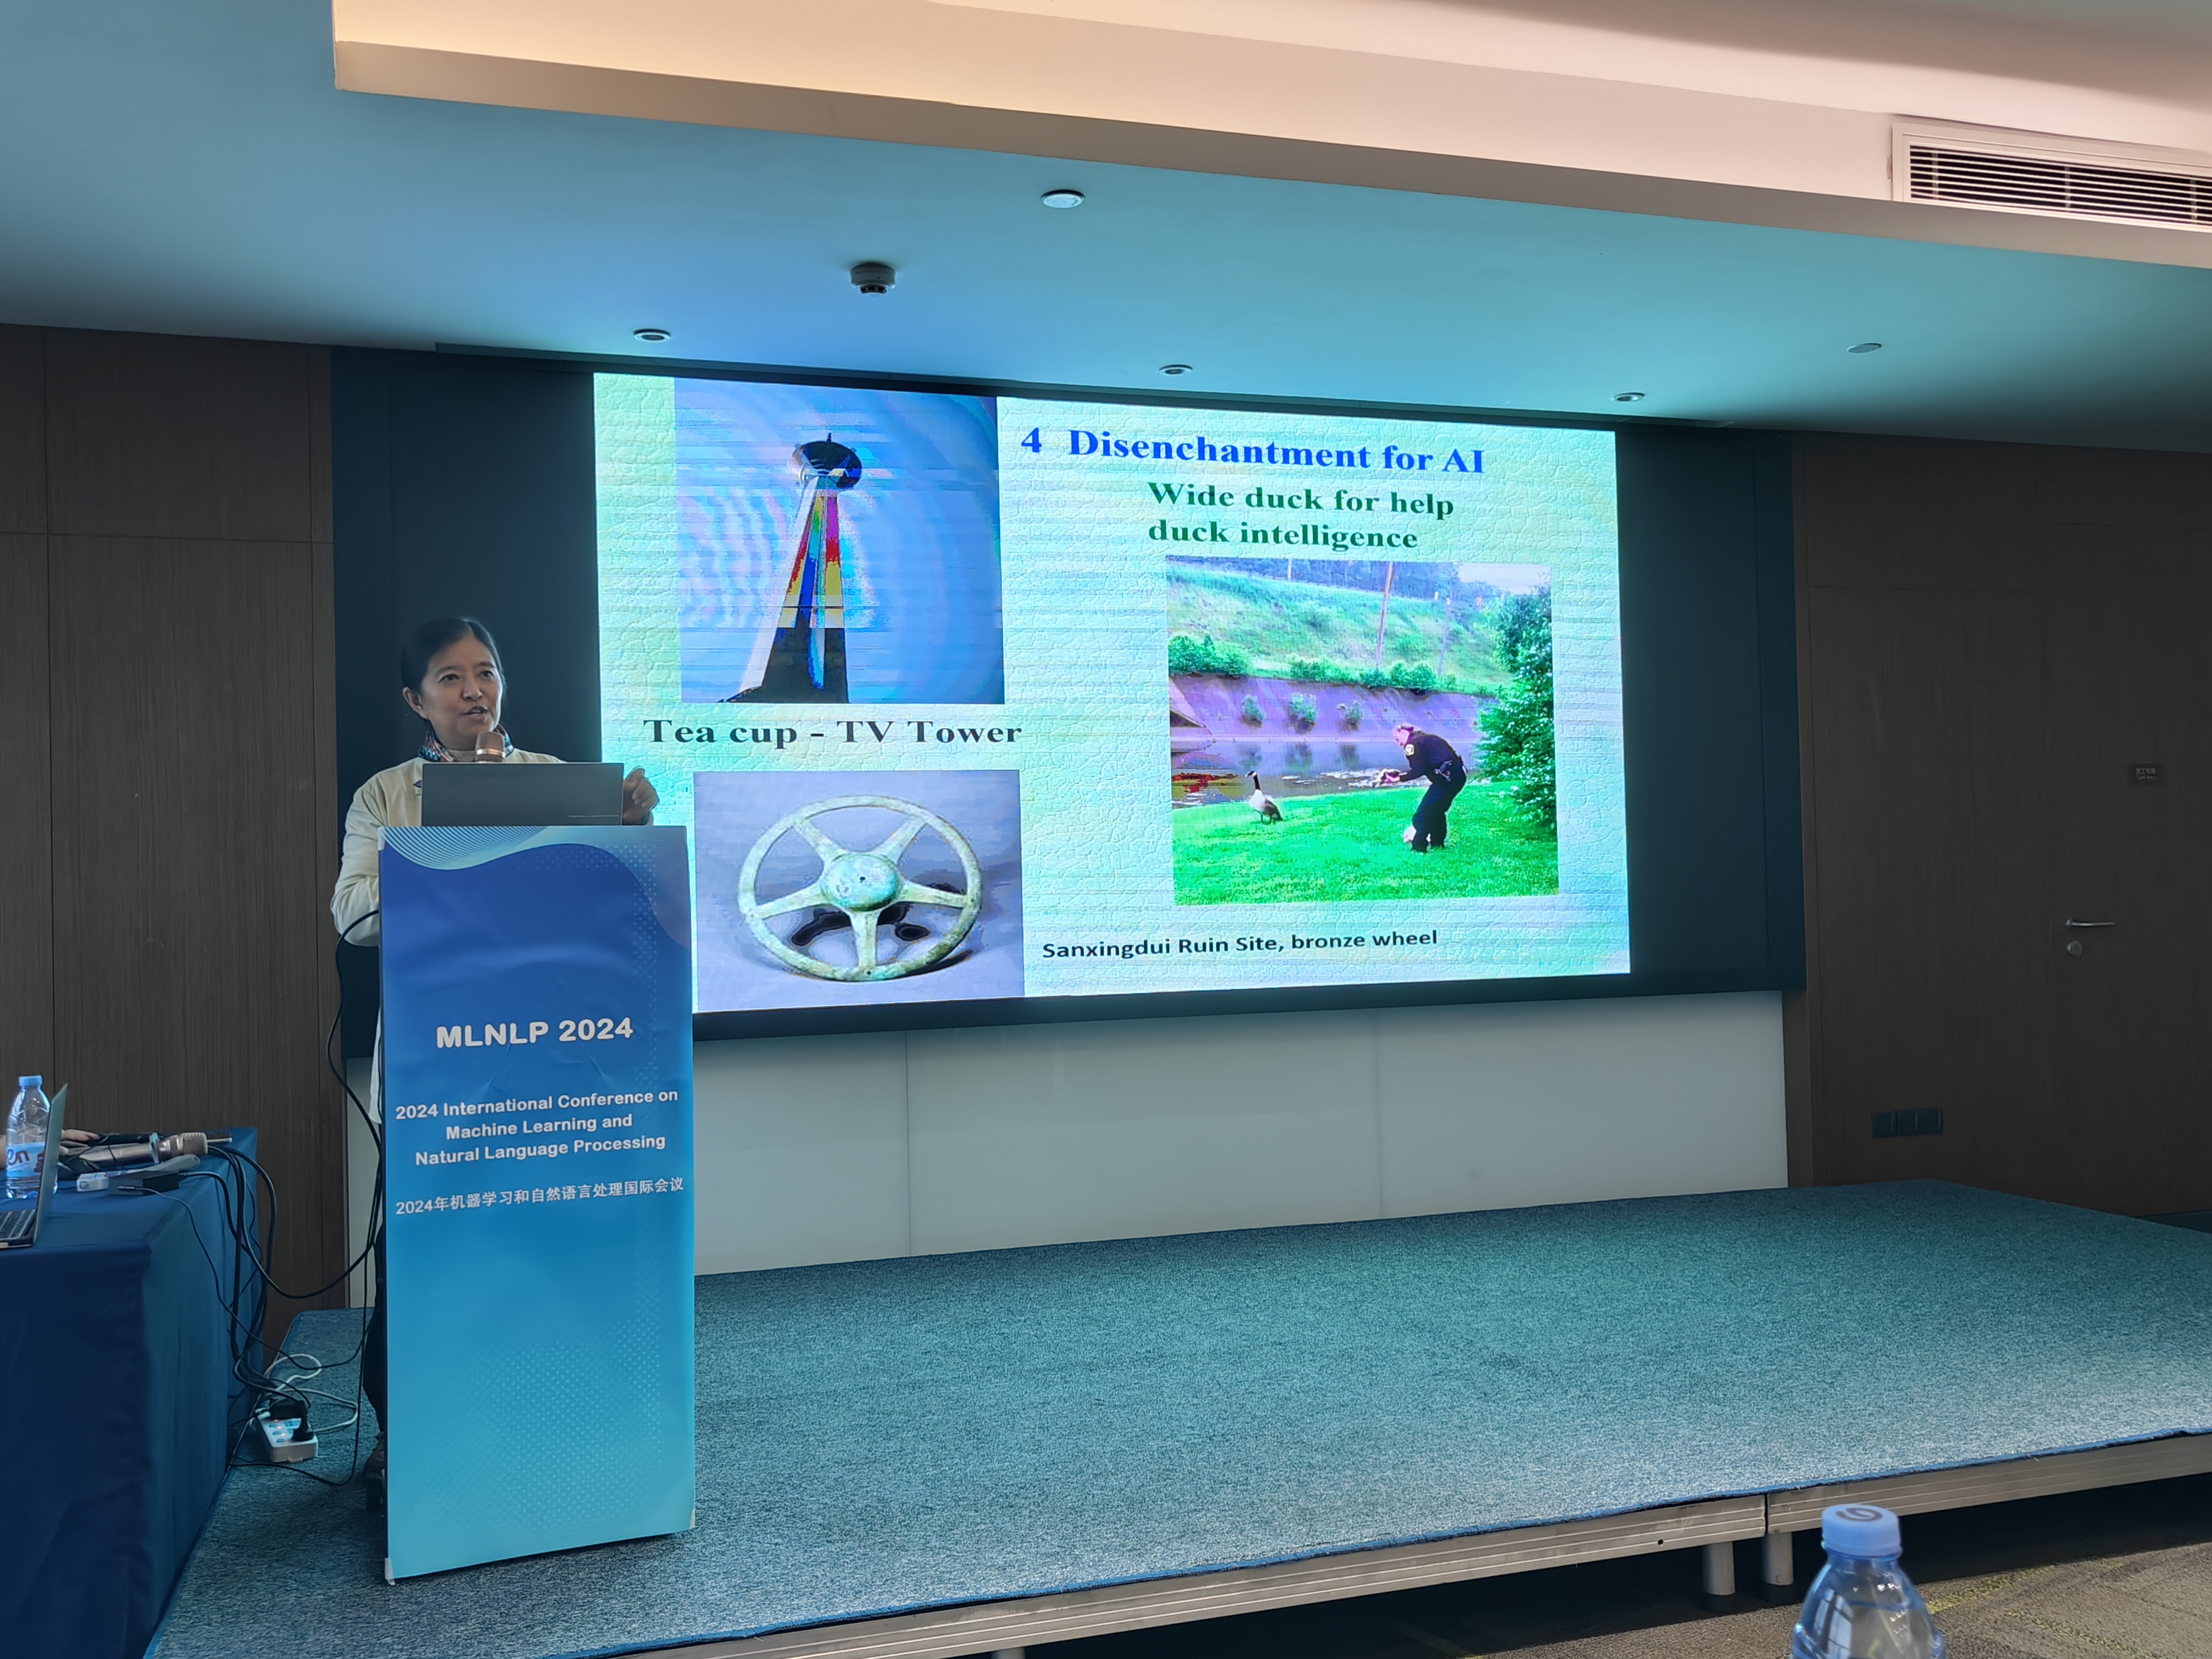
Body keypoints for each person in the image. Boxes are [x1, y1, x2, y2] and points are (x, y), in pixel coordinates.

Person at [331, 616, 657, 1507]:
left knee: (553, 1250)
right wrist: (451, 857)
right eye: (451, 678)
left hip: (553, 1065)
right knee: (427, 1262)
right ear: (416, 700)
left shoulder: (561, 783)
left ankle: (556, 1421)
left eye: (486, 672)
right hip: (439, 1073)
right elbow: (353, 916)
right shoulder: (385, 797)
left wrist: (632, 826)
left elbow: (618, 904)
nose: (474, 691)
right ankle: (406, 1435)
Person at [1380, 721, 1466, 853]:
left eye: (1397, 739)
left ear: (1403, 732)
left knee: (1421, 816)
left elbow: (1418, 770)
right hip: (1458, 778)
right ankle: (1438, 844)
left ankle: (1419, 848)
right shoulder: (1429, 739)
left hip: (1445, 782)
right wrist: (1401, 776)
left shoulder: (1412, 744)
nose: (1399, 744)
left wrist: (1398, 779)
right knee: (1437, 811)